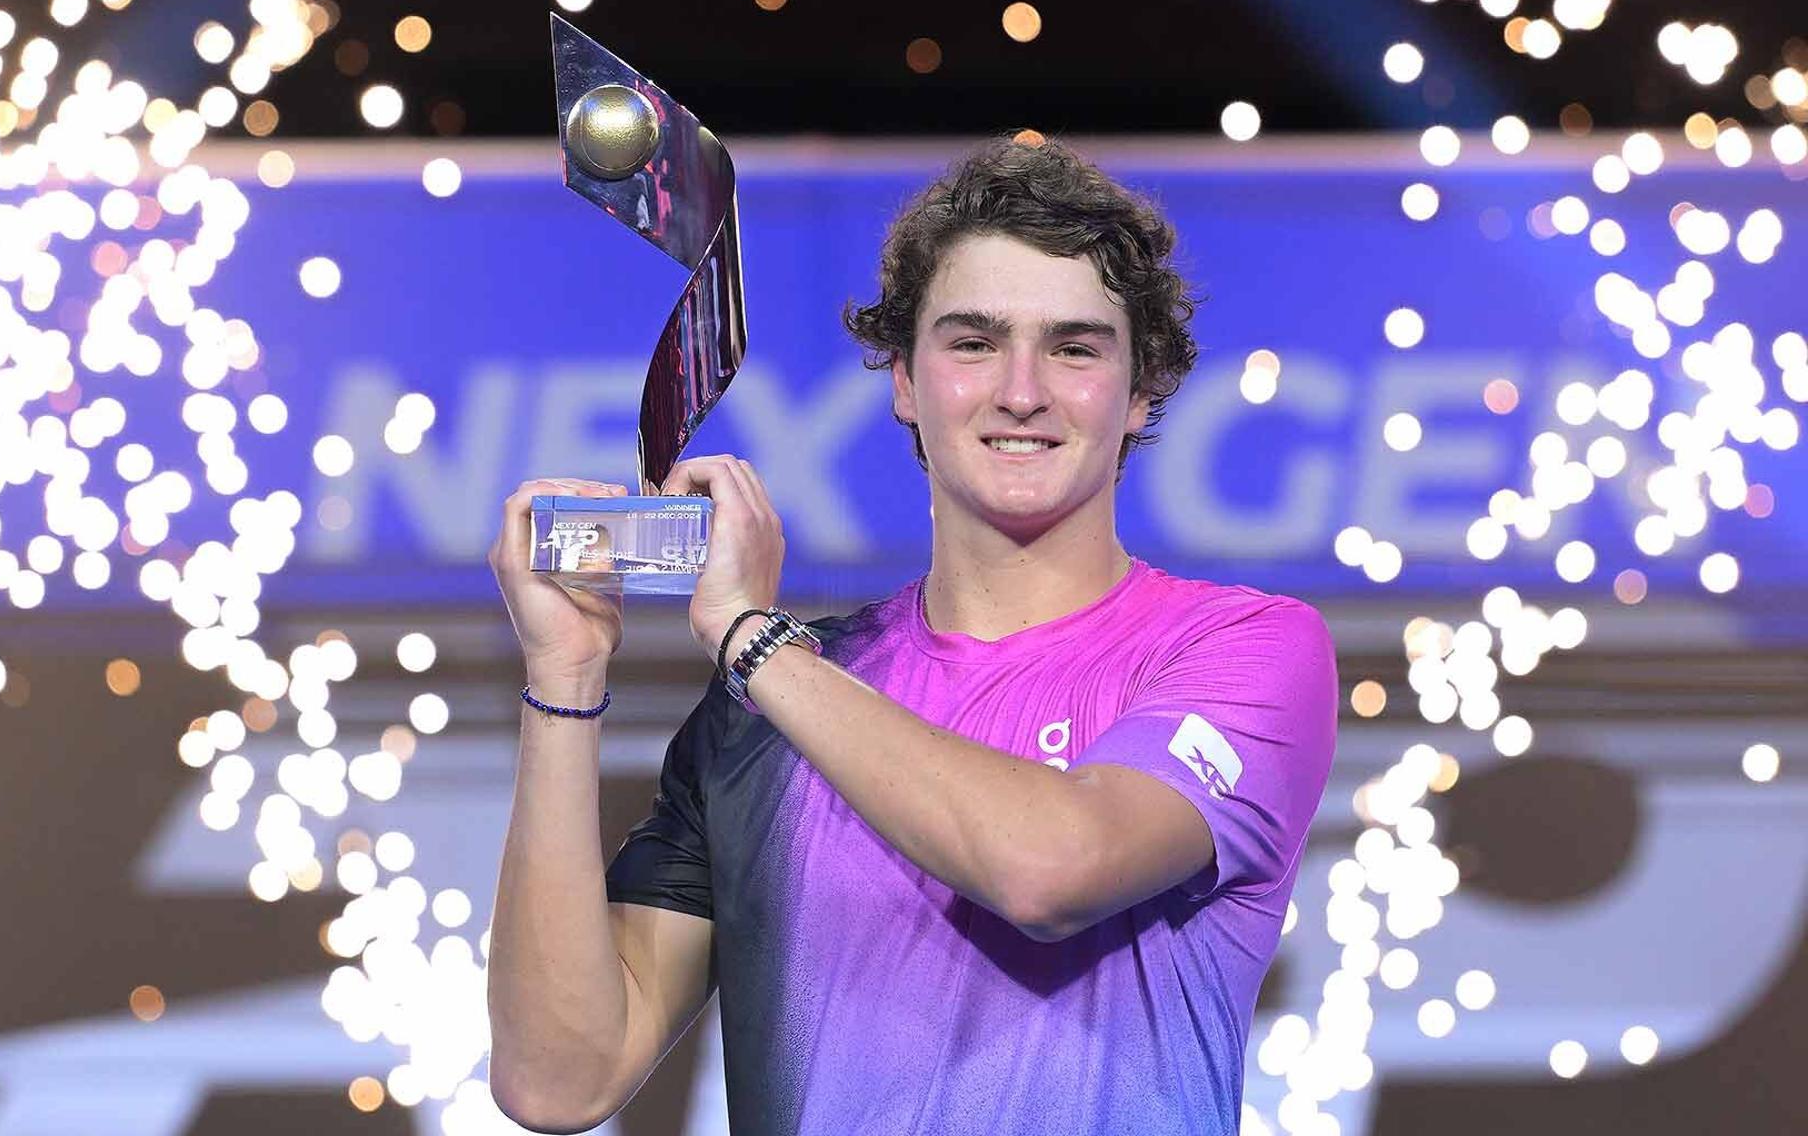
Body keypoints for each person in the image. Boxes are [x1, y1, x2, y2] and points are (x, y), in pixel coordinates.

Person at [485, 135, 1337, 1135]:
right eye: (972, 343)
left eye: (1074, 347)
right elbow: (558, 1081)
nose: (1021, 390)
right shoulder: (765, 713)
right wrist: (564, 676)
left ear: (1143, 389)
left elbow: (1050, 870)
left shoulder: (1244, 648)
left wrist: (753, 637)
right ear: (903, 381)